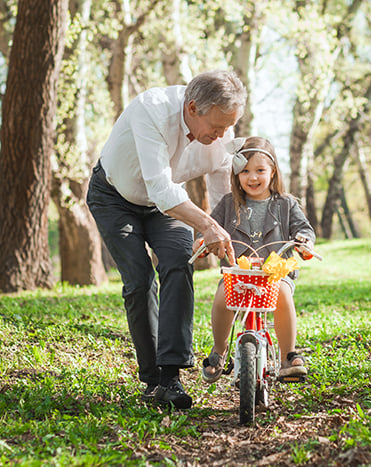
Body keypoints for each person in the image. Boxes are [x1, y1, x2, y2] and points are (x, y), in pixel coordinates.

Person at [86, 70, 246, 410]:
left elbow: (221, 192)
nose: (221, 135)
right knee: (140, 280)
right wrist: (205, 225)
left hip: (169, 204)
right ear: (192, 108)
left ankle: (171, 376)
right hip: (115, 197)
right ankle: (152, 379)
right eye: (216, 128)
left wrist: (224, 233)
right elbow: (160, 188)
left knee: (178, 262)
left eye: (228, 127)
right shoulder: (152, 110)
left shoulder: (220, 133)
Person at [199, 136, 316, 383]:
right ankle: (219, 352)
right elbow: (209, 226)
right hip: (238, 275)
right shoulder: (228, 204)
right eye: (245, 171)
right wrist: (204, 240)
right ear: (236, 175)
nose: (252, 178)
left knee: (282, 295)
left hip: (275, 275)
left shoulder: (286, 204)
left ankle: (287, 356)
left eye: (260, 170)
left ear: (273, 172)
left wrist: (304, 242)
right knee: (222, 299)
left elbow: (303, 229)